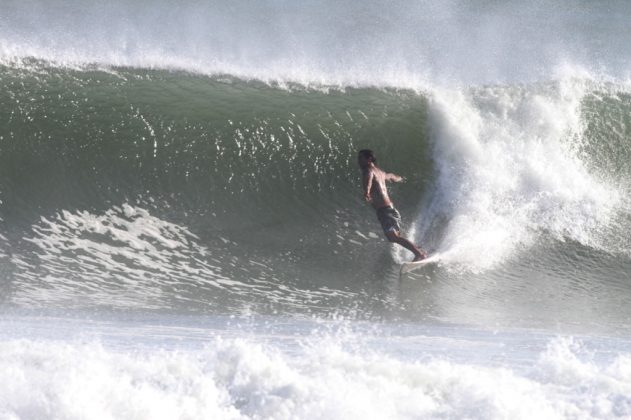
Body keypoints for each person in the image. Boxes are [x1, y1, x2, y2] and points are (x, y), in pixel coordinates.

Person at [358, 149, 427, 262]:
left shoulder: (368, 170)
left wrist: (367, 191)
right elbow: (390, 176)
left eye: (361, 158)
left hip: (385, 211)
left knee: (393, 237)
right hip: (389, 209)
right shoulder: (380, 172)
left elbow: (368, 179)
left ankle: (419, 253)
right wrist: (400, 178)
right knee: (395, 236)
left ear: (369, 159)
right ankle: (419, 250)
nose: (358, 161)